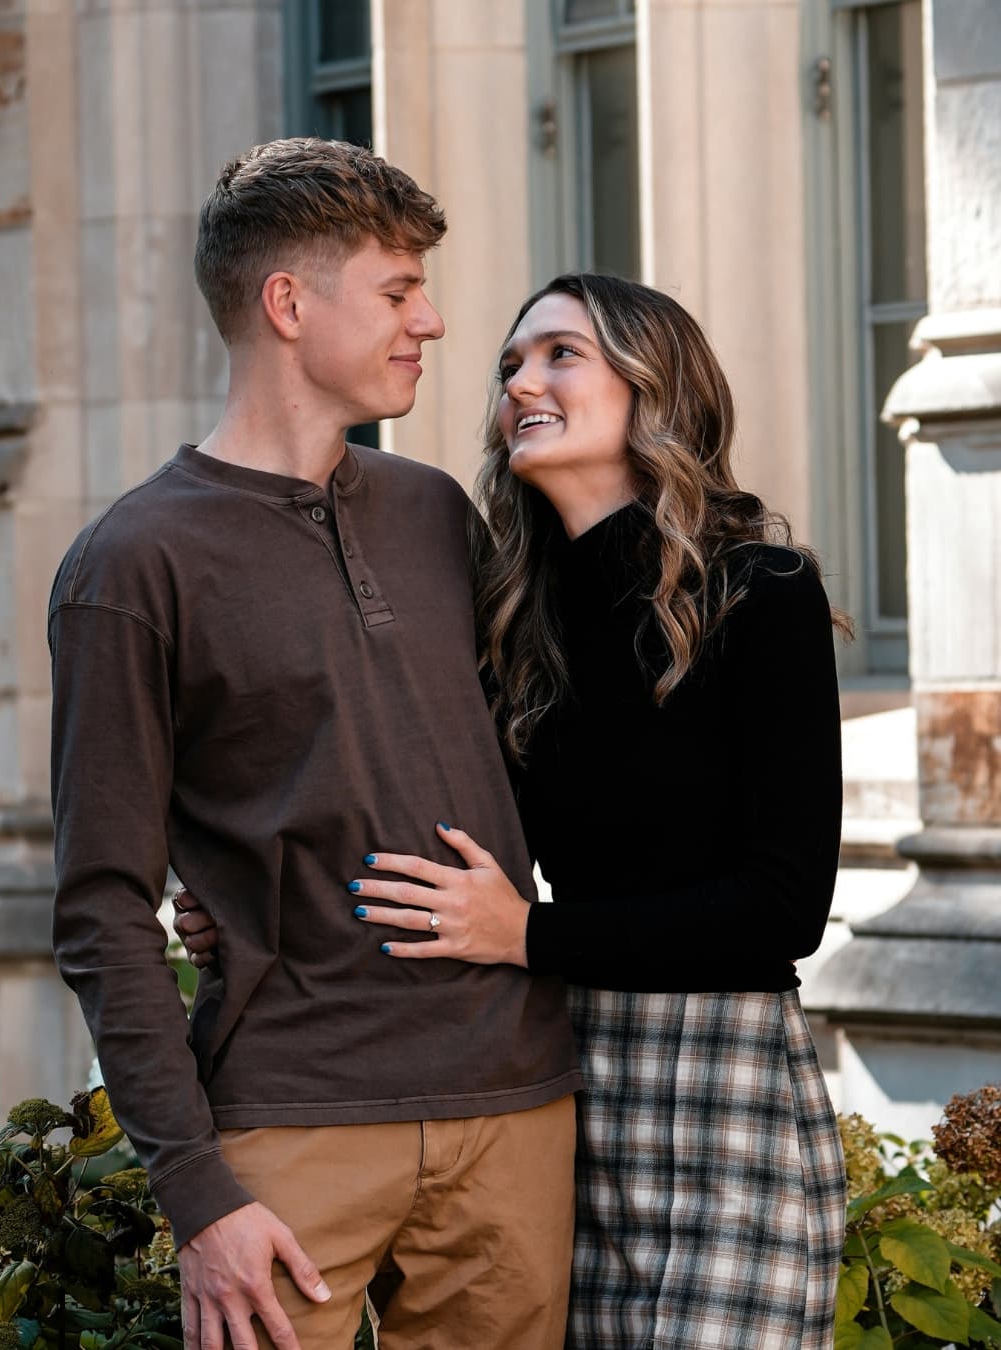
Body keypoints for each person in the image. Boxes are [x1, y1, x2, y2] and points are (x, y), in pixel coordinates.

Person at [181, 273, 848, 1348]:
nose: (520, 384)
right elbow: (400, 806)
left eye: (560, 355)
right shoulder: (504, 620)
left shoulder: (761, 593)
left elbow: (783, 910)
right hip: (545, 1082)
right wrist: (239, 891)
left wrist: (526, 931)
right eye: (508, 367)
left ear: (652, 383)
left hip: (718, 1083)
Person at [48, 138, 581, 1350]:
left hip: (514, 1103)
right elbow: (99, 907)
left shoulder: (439, 511)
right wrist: (199, 1197)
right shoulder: (135, 565)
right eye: (398, 291)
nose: (433, 322)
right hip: (291, 1124)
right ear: (289, 303)